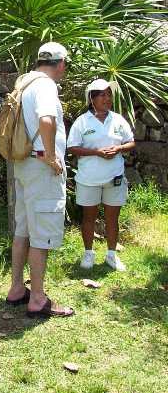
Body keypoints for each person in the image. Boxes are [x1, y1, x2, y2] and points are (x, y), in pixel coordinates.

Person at [6, 42, 74, 318]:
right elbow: (46, 121)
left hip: (24, 165)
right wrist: (49, 157)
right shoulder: (46, 86)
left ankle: (16, 290)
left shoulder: (25, 83)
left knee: (23, 228)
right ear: (60, 64)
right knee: (41, 234)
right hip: (40, 168)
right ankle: (37, 298)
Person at [67, 79, 135, 272]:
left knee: (113, 218)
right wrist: (96, 152)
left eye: (109, 94)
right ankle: (88, 253)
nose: (107, 98)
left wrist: (119, 148)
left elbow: (130, 142)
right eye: (102, 95)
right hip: (88, 179)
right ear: (92, 99)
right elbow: (72, 147)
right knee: (89, 217)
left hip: (114, 177)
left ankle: (111, 255)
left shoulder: (117, 119)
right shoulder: (82, 122)